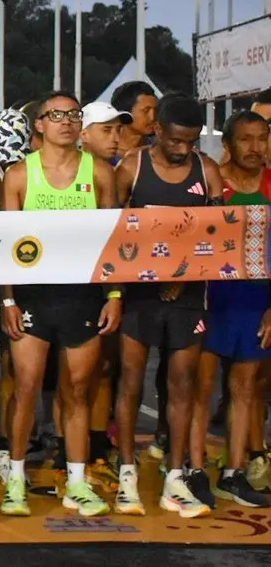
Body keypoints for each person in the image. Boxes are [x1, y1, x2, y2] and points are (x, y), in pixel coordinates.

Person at [0, 93, 120, 518]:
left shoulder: (100, 173)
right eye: (57, 116)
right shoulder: (18, 176)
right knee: (27, 388)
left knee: (78, 392)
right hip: (33, 296)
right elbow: (6, 243)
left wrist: (114, 295)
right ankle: (15, 478)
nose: (66, 122)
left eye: (73, 115)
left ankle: (78, 482)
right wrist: (8, 298)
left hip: (82, 296)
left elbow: (113, 242)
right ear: (40, 126)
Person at [114, 93, 222, 518]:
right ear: (157, 129)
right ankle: (126, 473)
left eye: (191, 142)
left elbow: (216, 237)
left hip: (189, 295)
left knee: (182, 386)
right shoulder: (131, 167)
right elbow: (114, 234)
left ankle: (174, 477)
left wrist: (186, 276)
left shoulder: (206, 171)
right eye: (176, 141)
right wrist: (124, 289)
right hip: (139, 295)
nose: (183, 150)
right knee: (130, 383)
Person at [194, 111, 271, 508]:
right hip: (211, 298)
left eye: (263, 138)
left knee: (244, 390)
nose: (256, 148)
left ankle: (233, 474)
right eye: (246, 139)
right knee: (200, 389)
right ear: (228, 144)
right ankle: (191, 471)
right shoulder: (213, 181)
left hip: (256, 301)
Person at [109, 82, 158, 157]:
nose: (152, 117)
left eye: (155, 110)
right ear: (125, 113)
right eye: (146, 111)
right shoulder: (101, 150)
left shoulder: (157, 149)